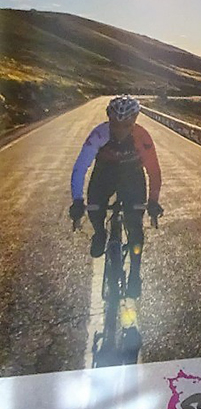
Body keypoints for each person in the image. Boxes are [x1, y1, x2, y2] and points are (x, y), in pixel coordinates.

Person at [69, 95, 163, 298]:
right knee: (95, 206)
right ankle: (99, 233)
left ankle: (135, 275)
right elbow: (80, 168)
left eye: (126, 125)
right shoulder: (99, 134)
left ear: (135, 121)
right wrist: (77, 200)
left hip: (132, 176)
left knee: (135, 226)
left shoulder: (142, 137)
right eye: (115, 125)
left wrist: (153, 201)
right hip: (105, 174)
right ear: (108, 119)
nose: (120, 130)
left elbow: (154, 171)